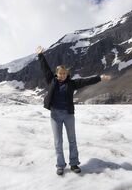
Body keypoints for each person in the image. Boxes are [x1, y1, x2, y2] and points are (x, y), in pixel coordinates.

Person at [36, 45, 111, 175]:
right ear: (57, 74)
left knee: (72, 140)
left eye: (64, 73)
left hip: (68, 115)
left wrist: (99, 78)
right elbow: (45, 69)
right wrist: (40, 55)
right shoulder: (51, 81)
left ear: (67, 74)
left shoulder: (71, 83)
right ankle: (60, 165)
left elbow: (86, 81)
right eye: (60, 73)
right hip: (55, 115)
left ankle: (74, 164)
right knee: (58, 142)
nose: (62, 75)